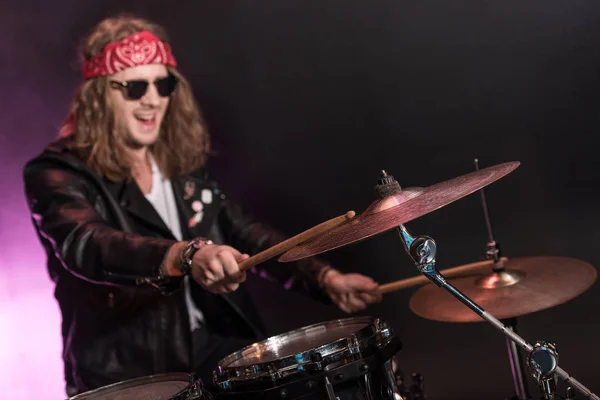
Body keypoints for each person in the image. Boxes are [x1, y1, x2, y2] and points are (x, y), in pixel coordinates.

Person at [22, 15, 382, 396]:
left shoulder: (174, 164)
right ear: (97, 96)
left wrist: (324, 279)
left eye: (163, 85)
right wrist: (185, 255)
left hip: (209, 345)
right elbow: (89, 244)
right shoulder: (55, 172)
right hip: (130, 370)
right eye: (134, 87)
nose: (153, 99)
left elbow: (241, 229)